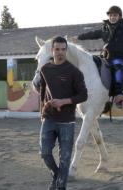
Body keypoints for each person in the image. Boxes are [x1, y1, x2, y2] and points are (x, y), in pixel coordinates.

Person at [36, 36, 88, 190]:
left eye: (63, 49)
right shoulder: (45, 69)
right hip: (49, 119)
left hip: (67, 122)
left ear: (66, 51)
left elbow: (83, 95)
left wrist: (63, 101)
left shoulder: (75, 72)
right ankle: (57, 175)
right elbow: (43, 92)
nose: (60, 52)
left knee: (65, 159)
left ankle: (60, 186)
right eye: (57, 49)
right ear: (52, 50)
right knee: (45, 153)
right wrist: (42, 111)